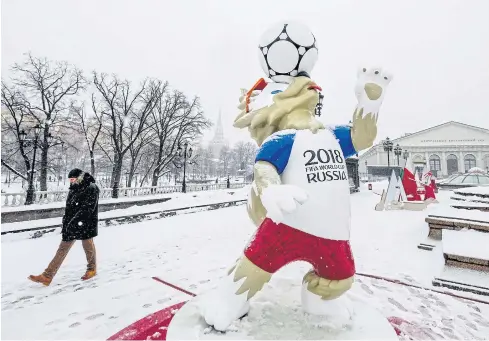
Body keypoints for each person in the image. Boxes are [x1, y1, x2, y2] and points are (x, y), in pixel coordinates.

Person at [28, 168, 100, 286]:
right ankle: (47, 276)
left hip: (85, 224)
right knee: (63, 248)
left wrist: (74, 221)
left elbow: (87, 209)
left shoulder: (92, 188)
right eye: (70, 180)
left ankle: (92, 269)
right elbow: (70, 208)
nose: (71, 182)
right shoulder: (74, 187)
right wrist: (67, 222)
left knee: (88, 246)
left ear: (79, 178)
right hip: (72, 224)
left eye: (73, 179)